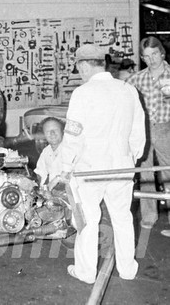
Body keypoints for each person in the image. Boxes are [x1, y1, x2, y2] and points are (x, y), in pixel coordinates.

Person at [59, 44, 145, 284]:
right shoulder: (128, 90)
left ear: (84, 65)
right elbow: (138, 132)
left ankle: (86, 272)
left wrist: (66, 167)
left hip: (90, 170)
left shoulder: (83, 93)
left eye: (79, 67)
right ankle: (128, 270)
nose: (79, 72)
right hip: (122, 167)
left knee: (88, 219)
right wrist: (132, 158)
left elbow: (73, 135)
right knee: (122, 217)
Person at [127, 36, 170, 236]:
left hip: (166, 129)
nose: (152, 60)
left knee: (169, 174)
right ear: (143, 59)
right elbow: (123, 99)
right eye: (146, 56)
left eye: (154, 54)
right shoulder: (136, 79)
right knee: (145, 175)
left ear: (162, 53)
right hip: (143, 130)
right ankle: (149, 216)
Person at [34, 117, 65, 190]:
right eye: (48, 131)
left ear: (62, 131)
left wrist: (57, 179)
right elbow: (40, 173)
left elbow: (74, 175)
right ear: (44, 135)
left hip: (69, 194)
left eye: (55, 130)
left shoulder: (71, 150)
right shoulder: (46, 151)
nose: (52, 133)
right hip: (52, 193)